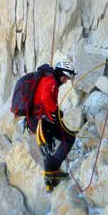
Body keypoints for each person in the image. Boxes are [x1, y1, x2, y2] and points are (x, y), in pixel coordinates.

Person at [26, 60, 76, 192]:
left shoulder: (50, 80)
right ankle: (51, 173)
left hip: (37, 120)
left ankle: (52, 172)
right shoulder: (51, 81)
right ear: (61, 73)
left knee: (51, 144)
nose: (66, 81)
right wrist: (54, 113)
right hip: (41, 121)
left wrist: (56, 112)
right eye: (66, 77)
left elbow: (46, 100)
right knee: (68, 139)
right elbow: (45, 98)